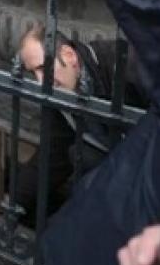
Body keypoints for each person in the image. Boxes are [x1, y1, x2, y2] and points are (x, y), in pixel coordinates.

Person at [14, 23, 148, 225]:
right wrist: (13, 206)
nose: (41, 81)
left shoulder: (124, 64)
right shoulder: (63, 92)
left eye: (44, 67)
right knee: (82, 154)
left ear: (69, 55)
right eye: (34, 73)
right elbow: (52, 154)